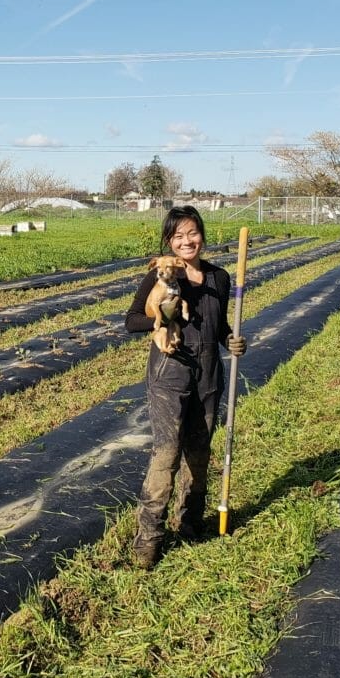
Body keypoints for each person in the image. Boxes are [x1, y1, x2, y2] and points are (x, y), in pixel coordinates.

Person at [124, 206, 246, 570]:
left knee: (200, 450)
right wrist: (161, 322)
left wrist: (232, 340)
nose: (186, 241)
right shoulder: (160, 277)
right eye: (178, 236)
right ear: (169, 242)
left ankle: (190, 523)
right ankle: (149, 540)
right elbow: (131, 320)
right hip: (170, 370)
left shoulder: (219, 278)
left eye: (191, 233)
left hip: (208, 372)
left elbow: (219, 323)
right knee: (167, 451)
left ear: (202, 236)